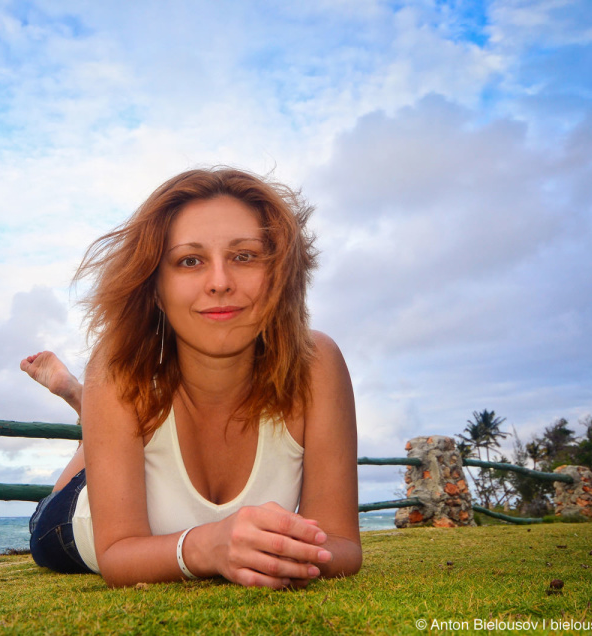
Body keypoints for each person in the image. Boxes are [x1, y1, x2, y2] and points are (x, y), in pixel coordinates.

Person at [22, 168, 361, 589]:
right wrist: (210, 546)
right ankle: (90, 418)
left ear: (279, 275)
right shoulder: (119, 367)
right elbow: (116, 557)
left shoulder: (317, 363)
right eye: (190, 261)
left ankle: (92, 418)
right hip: (75, 521)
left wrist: (291, 553)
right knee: (44, 520)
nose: (219, 282)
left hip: (130, 421)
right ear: (157, 289)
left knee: (113, 427)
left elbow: (343, 543)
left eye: (245, 256)